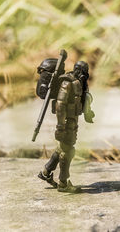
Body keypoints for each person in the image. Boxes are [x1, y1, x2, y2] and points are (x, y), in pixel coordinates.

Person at [38, 61, 94, 193]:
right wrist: (60, 125)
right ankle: (63, 183)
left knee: (63, 148)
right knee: (68, 151)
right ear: (78, 70)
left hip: (72, 120)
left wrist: (88, 113)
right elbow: (60, 105)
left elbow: (84, 99)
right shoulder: (67, 83)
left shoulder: (80, 84)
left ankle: (46, 172)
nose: (85, 75)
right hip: (65, 122)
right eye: (83, 71)